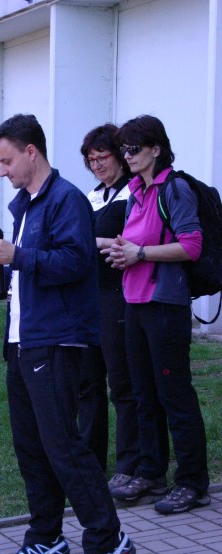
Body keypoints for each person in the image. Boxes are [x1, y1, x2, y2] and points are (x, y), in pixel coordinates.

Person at [0, 114, 136, 554]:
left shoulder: (66, 199)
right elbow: (15, 278)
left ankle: (108, 540)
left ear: (31, 152)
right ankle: (46, 538)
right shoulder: (26, 206)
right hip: (23, 342)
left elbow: (76, 262)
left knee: (63, 446)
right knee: (32, 448)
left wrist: (19, 256)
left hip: (56, 341)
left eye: (6, 161)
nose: (2, 171)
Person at [106, 115, 210, 515]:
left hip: (165, 304)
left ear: (156, 149)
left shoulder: (174, 188)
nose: (128, 156)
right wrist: (122, 251)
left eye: (134, 149)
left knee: (174, 394)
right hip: (134, 303)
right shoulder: (136, 191)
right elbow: (135, 244)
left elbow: (192, 246)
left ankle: (193, 482)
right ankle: (151, 472)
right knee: (143, 393)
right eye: (124, 149)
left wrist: (140, 253)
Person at [78, 124, 140, 489]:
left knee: (121, 383)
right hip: (89, 297)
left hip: (118, 296)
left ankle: (130, 463)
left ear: (119, 155)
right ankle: (90, 460)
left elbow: (129, 241)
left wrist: (93, 241)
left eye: (103, 157)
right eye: (91, 160)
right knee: (88, 384)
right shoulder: (94, 195)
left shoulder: (134, 191)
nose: (97, 165)